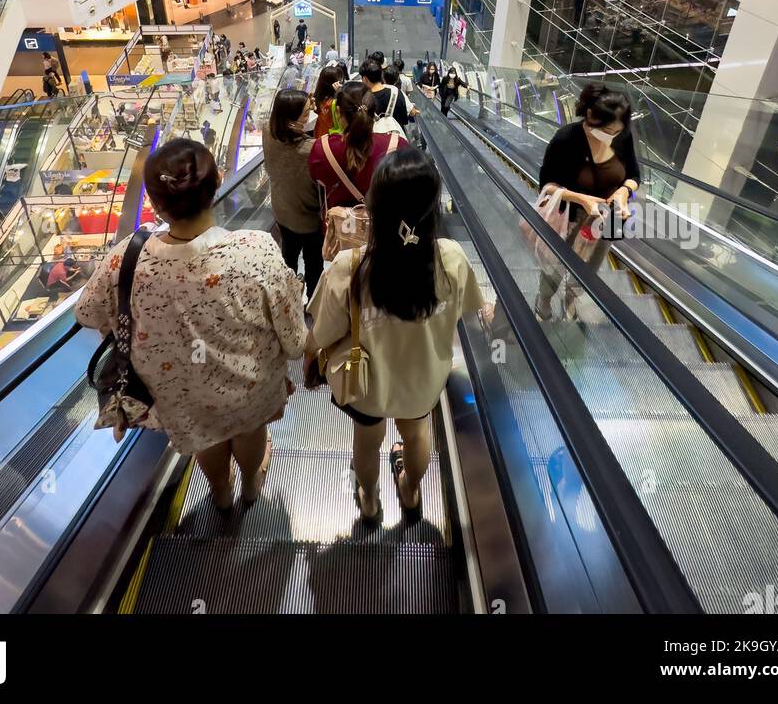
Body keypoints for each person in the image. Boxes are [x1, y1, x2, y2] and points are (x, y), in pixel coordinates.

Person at [75, 138, 306, 508]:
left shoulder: (126, 259)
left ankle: (220, 493)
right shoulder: (256, 250)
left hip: (180, 392)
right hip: (249, 386)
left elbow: (86, 313)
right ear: (218, 179)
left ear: (156, 202)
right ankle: (249, 486)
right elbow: (294, 339)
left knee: (205, 437)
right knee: (249, 431)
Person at [304, 148, 484, 521]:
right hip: (422, 382)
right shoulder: (451, 259)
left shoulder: (350, 267)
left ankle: (369, 500)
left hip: (366, 384)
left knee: (367, 444)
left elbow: (319, 333)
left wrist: (309, 356)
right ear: (433, 206)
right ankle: (411, 490)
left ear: (375, 207)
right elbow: (467, 311)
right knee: (417, 436)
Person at [534, 83, 640, 320]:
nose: (610, 138)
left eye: (616, 131)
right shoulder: (566, 139)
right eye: (606, 131)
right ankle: (544, 299)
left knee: (589, 268)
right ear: (590, 115)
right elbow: (547, 187)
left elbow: (634, 175)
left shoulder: (622, 138)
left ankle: (572, 299)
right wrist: (581, 198)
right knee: (555, 265)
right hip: (570, 217)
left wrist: (624, 192)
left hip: (609, 220)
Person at [262, 89, 324, 303]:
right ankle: (313, 302)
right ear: (290, 121)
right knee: (314, 262)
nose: (312, 115)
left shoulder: (267, 132)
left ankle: (287, 299)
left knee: (288, 256)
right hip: (308, 218)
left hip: (282, 210)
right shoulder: (311, 149)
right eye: (307, 113)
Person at [308, 80, 402, 209]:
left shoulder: (322, 148)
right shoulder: (397, 145)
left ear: (338, 112)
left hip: (341, 224)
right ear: (373, 111)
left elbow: (317, 179)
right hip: (382, 224)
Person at [360, 56, 409, 132]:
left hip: (370, 141)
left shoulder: (362, 97)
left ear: (365, 79)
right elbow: (404, 121)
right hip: (392, 141)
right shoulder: (396, 92)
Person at [311, 64, 346, 140]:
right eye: (339, 80)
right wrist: (340, 93)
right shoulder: (336, 101)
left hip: (319, 136)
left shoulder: (317, 98)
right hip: (332, 138)